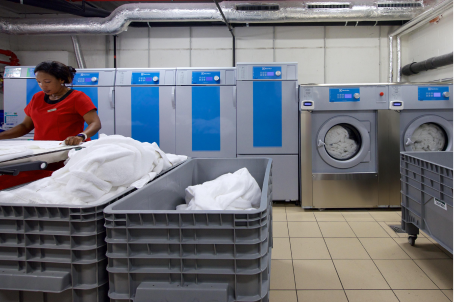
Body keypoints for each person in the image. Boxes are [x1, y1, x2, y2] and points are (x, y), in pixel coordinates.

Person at [0, 61, 101, 145]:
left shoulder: (77, 97)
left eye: (47, 82)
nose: (43, 86)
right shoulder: (37, 97)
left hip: (68, 150)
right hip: (43, 151)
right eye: (39, 82)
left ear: (61, 79)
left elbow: (95, 123)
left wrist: (81, 136)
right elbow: (25, 126)